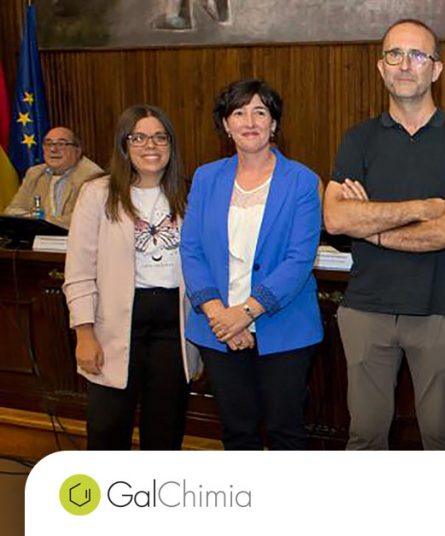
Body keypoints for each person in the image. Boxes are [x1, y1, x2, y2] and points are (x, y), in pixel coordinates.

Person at [323, 19, 445, 450]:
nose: (405, 65)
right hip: (365, 311)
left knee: (441, 439)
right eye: (395, 54)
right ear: (381, 67)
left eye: (418, 55)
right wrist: (419, 209)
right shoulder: (357, 139)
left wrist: (371, 225)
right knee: (365, 439)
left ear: (436, 69)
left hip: (437, 311)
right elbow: (336, 220)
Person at [181, 78, 323, 450]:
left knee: (285, 432)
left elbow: (299, 260)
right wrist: (221, 317)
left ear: (274, 123)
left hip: (284, 327)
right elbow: (191, 250)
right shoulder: (206, 177)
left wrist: (245, 313)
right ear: (226, 124)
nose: (250, 121)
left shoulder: (303, 182)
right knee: (237, 432)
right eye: (239, 112)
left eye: (260, 112)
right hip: (218, 328)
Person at [63, 105, 198, 450]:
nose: (150, 145)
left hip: (173, 326)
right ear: (124, 144)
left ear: (171, 144)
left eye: (159, 137)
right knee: (108, 429)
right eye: (138, 137)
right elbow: (78, 271)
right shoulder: (98, 194)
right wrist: (84, 334)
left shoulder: (189, 193)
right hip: (115, 325)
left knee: (165, 432)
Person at [5, 126, 105, 228]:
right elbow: (12, 211)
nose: (53, 149)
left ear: (77, 151)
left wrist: (40, 222)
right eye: (48, 144)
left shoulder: (92, 177)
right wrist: (36, 221)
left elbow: (82, 219)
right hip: (36, 239)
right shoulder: (34, 174)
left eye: (61, 144)